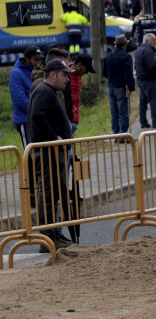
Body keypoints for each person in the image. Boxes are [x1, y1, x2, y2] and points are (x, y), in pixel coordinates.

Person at [27, 59, 76, 251]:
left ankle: (55, 233)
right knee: (48, 193)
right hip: (47, 152)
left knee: (55, 192)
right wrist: (52, 137)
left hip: (53, 151)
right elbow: (37, 116)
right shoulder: (43, 91)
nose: (67, 79)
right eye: (64, 75)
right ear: (53, 74)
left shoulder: (50, 92)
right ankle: (47, 237)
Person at [10, 46, 43, 148]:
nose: (38, 62)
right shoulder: (16, 74)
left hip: (37, 117)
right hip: (25, 119)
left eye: (39, 59)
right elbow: (20, 100)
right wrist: (37, 109)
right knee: (30, 152)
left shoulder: (36, 72)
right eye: (35, 59)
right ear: (27, 59)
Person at [134, 33, 156, 129]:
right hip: (148, 79)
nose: (155, 42)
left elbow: (135, 66)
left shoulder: (138, 51)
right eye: (154, 40)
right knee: (153, 100)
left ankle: (143, 122)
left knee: (143, 101)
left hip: (140, 79)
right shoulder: (147, 51)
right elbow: (153, 65)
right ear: (147, 41)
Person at [106, 35, 135, 138]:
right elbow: (128, 74)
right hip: (121, 87)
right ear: (125, 44)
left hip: (111, 87)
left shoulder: (109, 56)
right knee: (123, 112)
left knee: (114, 112)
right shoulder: (126, 57)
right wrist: (131, 88)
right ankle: (123, 135)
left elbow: (105, 72)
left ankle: (116, 134)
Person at [69, 52, 96, 134]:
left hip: (73, 120)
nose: (87, 73)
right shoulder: (66, 75)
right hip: (66, 121)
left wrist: (76, 120)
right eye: (86, 69)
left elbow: (77, 101)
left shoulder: (79, 78)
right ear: (79, 65)